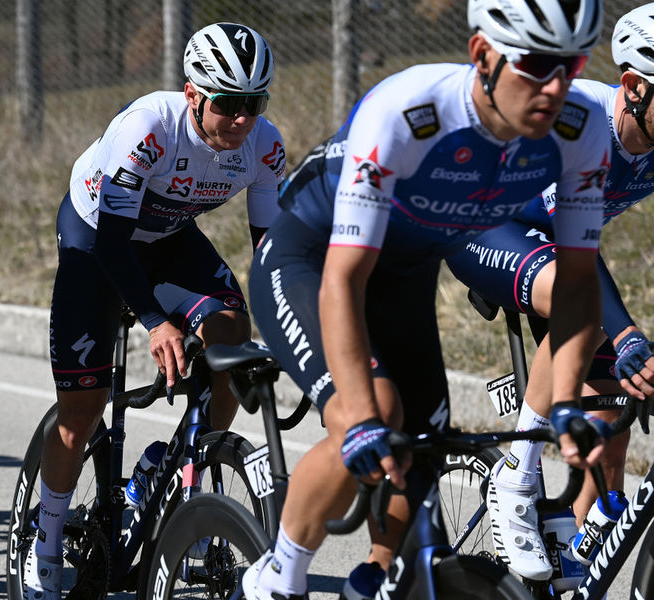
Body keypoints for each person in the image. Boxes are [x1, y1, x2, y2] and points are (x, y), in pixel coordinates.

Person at [242, 0, 610, 598]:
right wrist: (358, 416)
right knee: (373, 416)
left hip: (406, 269)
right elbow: (344, 279)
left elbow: (576, 284)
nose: (556, 86)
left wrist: (566, 403)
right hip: (312, 259)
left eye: (571, 65)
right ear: (482, 55)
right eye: (537, 64)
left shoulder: (581, 128)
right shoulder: (411, 112)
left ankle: (378, 578)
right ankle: (277, 576)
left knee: (426, 443)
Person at [31, 22, 285, 600]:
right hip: (97, 235)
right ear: (194, 94)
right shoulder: (148, 127)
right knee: (82, 411)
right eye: (229, 105)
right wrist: (154, 321)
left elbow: (271, 254)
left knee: (232, 334)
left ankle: (180, 471)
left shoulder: (263, 146)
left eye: (255, 103)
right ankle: (43, 541)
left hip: (168, 235)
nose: (243, 119)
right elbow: (113, 246)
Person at [444, 3, 654, 581]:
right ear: (633, 87)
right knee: (575, 299)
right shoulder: (581, 118)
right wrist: (630, 332)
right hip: (484, 226)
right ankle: (515, 474)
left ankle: (573, 567)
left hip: (558, 253)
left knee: (613, 422)